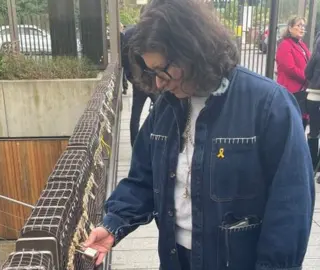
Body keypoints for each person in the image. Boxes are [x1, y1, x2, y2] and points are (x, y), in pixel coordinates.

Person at [83, 1, 315, 270]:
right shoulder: (165, 108)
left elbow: (291, 208)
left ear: (193, 50)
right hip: (175, 258)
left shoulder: (268, 104)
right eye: (152, 72)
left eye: (163, 70)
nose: (158, 83)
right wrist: (114, 224)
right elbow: (142, 180)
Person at [122, 5, 160, 147]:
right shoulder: (154, 33)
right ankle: (156, 140)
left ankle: (134, 145)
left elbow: (124, 58)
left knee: (136, 114)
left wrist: (130, 77)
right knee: (161, 110)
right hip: (153, 81)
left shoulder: (130, 33)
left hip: (138, 81)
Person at [276, 16, 311, 130]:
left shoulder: (302, 45)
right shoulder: (285, 45)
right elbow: (289, 69)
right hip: (291, 90)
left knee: (303, 122)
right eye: (298, 25)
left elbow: (309, 63)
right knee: (292, 124)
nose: (301, 28)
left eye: (303, 26)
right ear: (290, 28)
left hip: (303, 90)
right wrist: (307, 78)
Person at [305, 31, 320, 183]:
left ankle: (311, 164)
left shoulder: (316, 51)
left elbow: (307, 72)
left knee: (314, 132)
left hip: (314, 95)